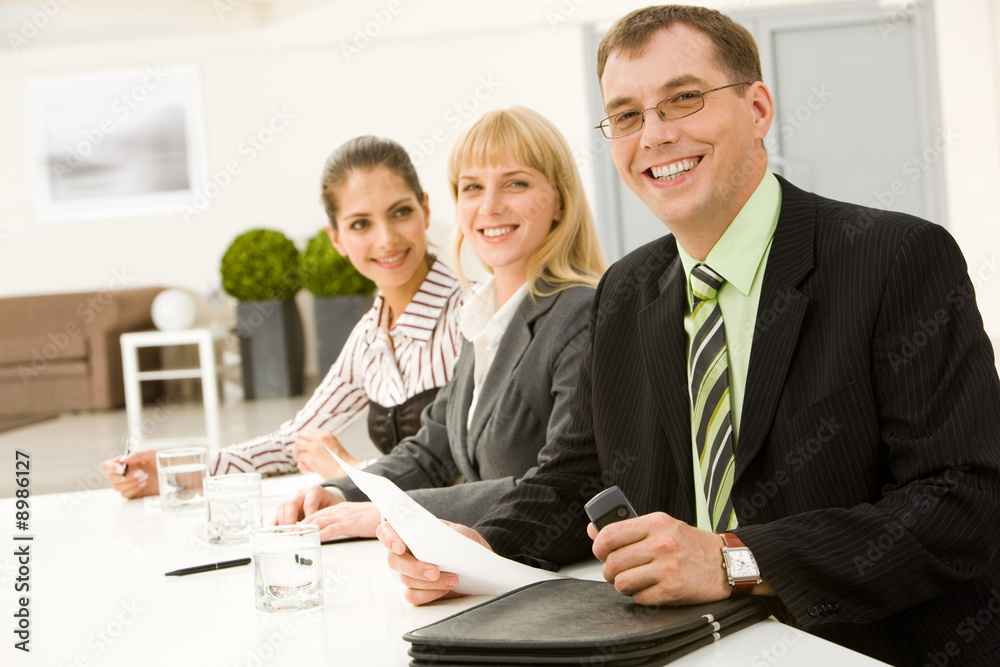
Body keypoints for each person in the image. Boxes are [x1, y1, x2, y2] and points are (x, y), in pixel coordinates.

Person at [376, 6, 1000, 666]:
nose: (655, 135)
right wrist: (478, 548)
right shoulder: (625, 291)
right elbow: (575, 477)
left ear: (758, 109)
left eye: (684, 99)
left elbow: (962, 502)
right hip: (685, 646)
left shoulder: (894, 259)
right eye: (626, 115)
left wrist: (733, 558)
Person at [273, 105, 607, 539]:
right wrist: (342, 493)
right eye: (472, 188)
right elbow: (433, 451)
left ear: (560, 201)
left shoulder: (579, 314)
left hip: (548, 575)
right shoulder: (482, 316)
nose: (489, 206)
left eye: (516, 183)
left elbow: (562, 487)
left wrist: (395, 513)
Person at [102, 136, 466, 497]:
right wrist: (176, 472)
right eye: (360, 224)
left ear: (425, 210)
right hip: (407, 535)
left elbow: (479, 471)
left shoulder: (472, 316)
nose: (386, 239)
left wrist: (351, 471)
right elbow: (294, 442)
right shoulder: (370, 337)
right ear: (336, 238)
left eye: (400, 212)